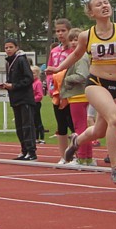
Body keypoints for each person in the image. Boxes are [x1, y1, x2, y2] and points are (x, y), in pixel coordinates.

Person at [48, 0, 116, 184]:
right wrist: (58, 68)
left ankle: (76, 141)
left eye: (106, 2)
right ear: (91, 12)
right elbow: (76, 55)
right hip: (96, 83)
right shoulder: (87, 35)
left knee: (100, 131)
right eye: (99, 4)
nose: (104, 6)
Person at [60, 28, 93, 165]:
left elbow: (81, 75)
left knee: (80, 128)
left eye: (77, 40)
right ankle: (86, 158)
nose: (74, 43)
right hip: (80, 95)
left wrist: (66, 79)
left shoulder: (81, 57)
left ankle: (82, 157)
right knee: (84, 128)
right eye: (72, 40)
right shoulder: (78, 56)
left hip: (79, 96)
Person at [3, 38, 37, 161]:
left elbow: (28, 79)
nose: (8, 50)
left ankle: (31, 151)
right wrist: (7, 85)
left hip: (25, 98)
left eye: (11, 47)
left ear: (16, 48)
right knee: (19, 126)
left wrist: (14, 86)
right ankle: (24, 150)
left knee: (27, 125)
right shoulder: (9, 62)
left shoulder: (22, 60)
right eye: (6, 48)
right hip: (15, 98)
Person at [46, 19, 74, 157]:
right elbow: (49, 71)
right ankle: (63, 156)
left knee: (73, 124)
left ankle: (77, 153)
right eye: (58, 31)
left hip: (71, 92)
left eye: (63, 30)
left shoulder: (75, 50)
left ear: (69, 31)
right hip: (57, 93)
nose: (60, 34)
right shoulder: (54, 51)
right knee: (61, 125)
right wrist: (51, 87)